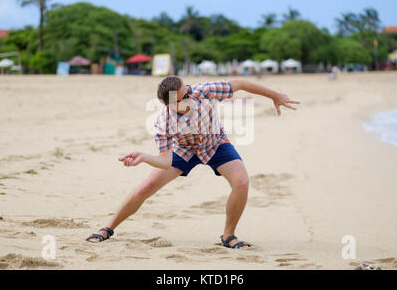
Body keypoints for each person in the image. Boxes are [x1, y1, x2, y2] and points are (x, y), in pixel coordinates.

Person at [86, 77, 300, 249]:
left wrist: (275, 95)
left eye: (187, 90)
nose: (191, 94)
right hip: (184, 150)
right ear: (171, 104)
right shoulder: (163, 121)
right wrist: (144, 157)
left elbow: (241, 83)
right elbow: (165, 160)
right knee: (146, 187)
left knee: (241, 182)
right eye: (184, 96)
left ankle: (228, 236)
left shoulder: (204, 91)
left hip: (214, 143)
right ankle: (108, 228)